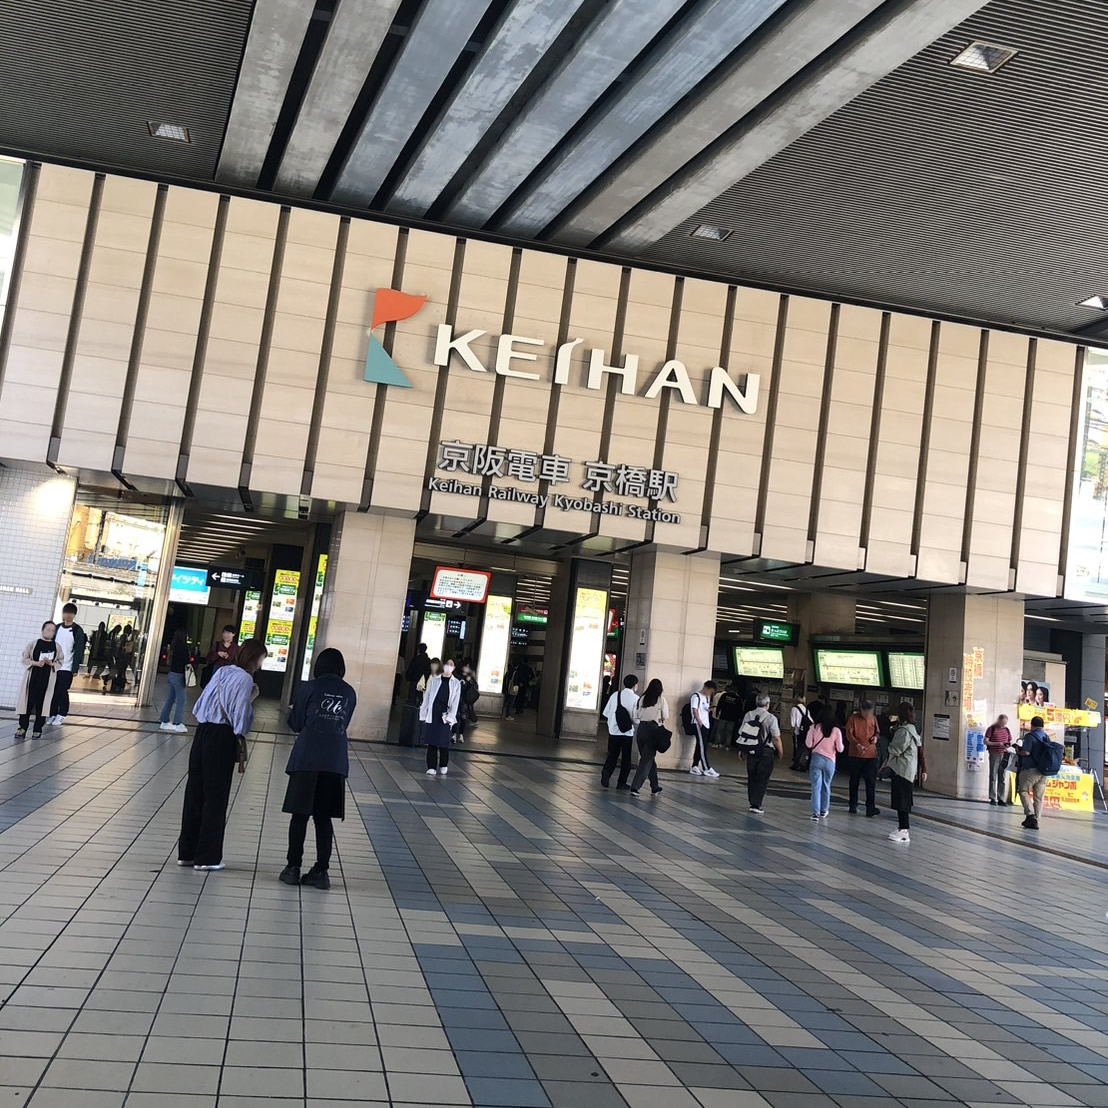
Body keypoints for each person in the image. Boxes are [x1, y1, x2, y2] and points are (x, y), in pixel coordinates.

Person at [178, 639, 268, 871]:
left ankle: (186, 853)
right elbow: (240, 718)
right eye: (261, 659)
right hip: (221, 738)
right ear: (254, 658)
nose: (261, 664)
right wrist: (251, 701)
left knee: (195, 792)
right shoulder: (246, 679)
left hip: (202, 732)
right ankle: (207, 857)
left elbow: (199, 706)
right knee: (215, 797)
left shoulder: (221, 671)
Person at [279, 648, 356, 890]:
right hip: (334, 761)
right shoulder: (349, 692)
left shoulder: (309, 688)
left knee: (299, 815)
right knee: (323, 819)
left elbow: (296, 722)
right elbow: (345, 722)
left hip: (307, 759)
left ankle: (293, 868)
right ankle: (321, 871)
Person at [1016, 716, 1063, 831]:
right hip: (1044, 771)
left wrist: (1018, 751)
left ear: (1032, 725)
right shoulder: (1045, 736)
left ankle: (1030, 815)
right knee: (1038, 797)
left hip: (1030, 769)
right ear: (1042, 726)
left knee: (1022, 790)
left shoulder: (1030, 736)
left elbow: (1026, 752)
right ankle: (1036, 819)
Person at [16, 621, 61, 738]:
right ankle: (22, 728)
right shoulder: (33, 644)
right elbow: (24, 658)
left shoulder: (56, 647)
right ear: (42, 630)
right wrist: (35, 663)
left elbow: (60, 661)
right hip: (32, 679)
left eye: (52, 630)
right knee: (27, 703)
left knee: (42, 705)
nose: (50, 632)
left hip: (46, 680)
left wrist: (51, 663)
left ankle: (38, 729)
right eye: (48, 629)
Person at [739, 694, 782, 813]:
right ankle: (756, 804)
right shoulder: (771, 718)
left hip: (751, 750)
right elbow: (776, 738)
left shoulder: (748, 715)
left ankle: (752, 801)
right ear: (768, 705)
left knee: (752, 776)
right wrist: (780, 752)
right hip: (766, 751)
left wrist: (742, 750)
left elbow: (742, 732)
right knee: (762, 778)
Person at [886, 702, 923, 843]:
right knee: (904, 799)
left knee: (901, 800)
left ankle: (904, 830)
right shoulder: (912, 729)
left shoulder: (903, 731)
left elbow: (895, 748)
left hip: (901, 769)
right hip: (909, 769)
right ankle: (902, 828)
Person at [47, 602, 86, 726]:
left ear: (74, 615)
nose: (67, 616)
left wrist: (75, 668)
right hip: (54, 665)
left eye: (70, 613)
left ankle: (62, 713)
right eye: (66, 613)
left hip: (67, 666)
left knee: (62, 690)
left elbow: (79, 650)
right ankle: (52, 713)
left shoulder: (77, 630)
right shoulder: (57, 628)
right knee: (52, 690)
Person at [421, 657, 461, 775]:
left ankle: (443, 764)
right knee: (432, 741)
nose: (449, 666)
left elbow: (455, 702)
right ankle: (431, 767)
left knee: (443, 742)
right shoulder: (435, 680)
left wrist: (450, 717)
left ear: (454, 667)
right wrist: (423, 712)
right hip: (433, 713)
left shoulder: (456, 683)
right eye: (447, 663)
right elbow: (427, 696)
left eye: (451, 664)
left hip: (445, 715)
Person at [629, 679, 668, 796]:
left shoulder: (642, 698)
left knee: (649, 759)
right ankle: (635, 787)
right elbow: (665, 715)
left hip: (641, 729)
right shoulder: (661, 699)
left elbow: (637, 714)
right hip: (653, 730)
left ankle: (655, 787)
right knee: (646, 760)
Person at [601, 674, 640, 789]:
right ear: (634, 685)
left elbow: (606, 712)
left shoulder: (615, 695)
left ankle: (606, 772)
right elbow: (636, 718)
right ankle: (621, 782)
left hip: (613, 730)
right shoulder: (635, 698)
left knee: (612, 754)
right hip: (627, 732)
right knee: (626, 758)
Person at [806, 707, 844, 820]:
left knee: (816, 786)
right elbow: (840, 749)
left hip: (816, 759)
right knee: (826, 785)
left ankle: (815, 813)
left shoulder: (813, 728)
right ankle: (824, 810)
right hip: (830, 761)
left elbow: (808, 744)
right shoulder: (836, 730)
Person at [846, 700, 881, 817]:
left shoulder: (873, 719)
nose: (868, 715)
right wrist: (857, 745)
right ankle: (853, 804)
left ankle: (870, 807)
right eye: (866, 712)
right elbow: (849, 734)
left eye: (870, 713)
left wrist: (875, 738)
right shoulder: (853, 719)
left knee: (870, 781)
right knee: (854, 780)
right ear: (861, 710)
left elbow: (877, 732)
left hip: (871, 755)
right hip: (855, 754)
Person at [159, 628, 192, 733]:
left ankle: (164, 721)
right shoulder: (183, 648)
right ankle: (178, 723)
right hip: (179, 675)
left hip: (171, 674)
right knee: (181, 700)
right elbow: (186, 661)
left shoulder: (173, 647)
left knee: (170, 698)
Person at [689, 681, 719, 777]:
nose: (710, 693)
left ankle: (695, 766)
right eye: (710, 691)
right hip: (699, 724)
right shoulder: (696, 696)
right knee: (703, 746)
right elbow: (695, 710)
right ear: (706, 688)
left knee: (700, 745)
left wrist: (710, 709)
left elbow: (704, 708)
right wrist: (699, 721)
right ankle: (707, 768)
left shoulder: (706, 697)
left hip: (706, 724)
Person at [985, 713, 1014, 804]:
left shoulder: (1007, 730)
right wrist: (997, 744)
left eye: (1005, 723)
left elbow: (1010, 741)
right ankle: (992, 797)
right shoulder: (992, 729)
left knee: (1002, 777)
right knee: (993, 775)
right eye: (1002, 723)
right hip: (994, 754)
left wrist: (1007, 745)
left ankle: (1001, 797)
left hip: (1004, 754)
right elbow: (986, 741)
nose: (1003, 725)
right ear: (999, 721)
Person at [713, 682, 743, 749]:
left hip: (723, 716)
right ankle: (727, 746)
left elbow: (720, 704)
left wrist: (717, 713)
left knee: (719, 730)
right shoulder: (738, 698)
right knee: (729, 732)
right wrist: (738, 718)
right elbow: (739, 709)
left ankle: (717, 743)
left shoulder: (724, 695)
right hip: (732, 718)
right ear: (736, 691)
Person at [789, 698, 812, 771]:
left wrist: (792, 730)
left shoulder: (794, 709)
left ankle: (796, 764)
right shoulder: (807, 710)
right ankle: (803, 763)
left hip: (797, 731)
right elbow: (811, 721)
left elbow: (793, 722)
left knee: (797, 747)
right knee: (803, 748)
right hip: (805, 732)